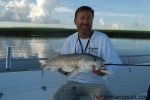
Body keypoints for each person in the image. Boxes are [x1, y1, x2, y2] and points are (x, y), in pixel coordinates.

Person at [53, 6, 122, 100]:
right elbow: (63, 64)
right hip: (73, 82)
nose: (85, 21)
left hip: (97, 83)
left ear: (92, 21)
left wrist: (104, 72)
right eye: (82, 18)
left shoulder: (102, 38)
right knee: (57, 98)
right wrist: (63, 71)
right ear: (75, 21)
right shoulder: (69, 40)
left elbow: (117, 63)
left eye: (89, 18)